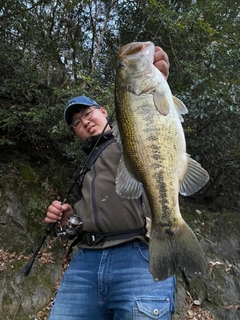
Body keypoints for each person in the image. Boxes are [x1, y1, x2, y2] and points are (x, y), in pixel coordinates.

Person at [45, 46, 175, 320]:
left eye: (88, 114)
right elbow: (77, 224)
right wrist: (68, 218)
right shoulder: (83, 168)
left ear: (104, 111)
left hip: (137, 254)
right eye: (77, 123)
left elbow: (151, 118)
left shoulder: (126, 138)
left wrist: (157, 77)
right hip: (85, 262)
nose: (85, 123)